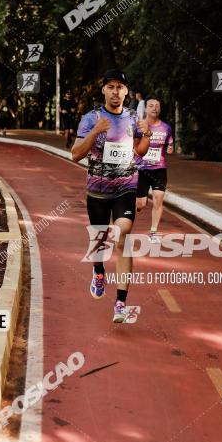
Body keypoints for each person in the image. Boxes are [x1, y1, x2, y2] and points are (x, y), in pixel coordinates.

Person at [72, 68, 152, 323]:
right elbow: (76, 154)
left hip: (126, 187)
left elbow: (139, 152)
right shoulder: (90, 118)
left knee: (122, 233)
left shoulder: (132, 118)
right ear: (104, 90)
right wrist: (95, 131)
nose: (115, 91)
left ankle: (120, 303)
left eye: (120, 87)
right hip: (97, 190)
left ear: (126, 91)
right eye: (111, 86)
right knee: (100, 239)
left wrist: (147, 135)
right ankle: (98, 271)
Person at [136, 96, 174, 241]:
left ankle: (153, 232)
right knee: (141, 203)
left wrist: (170, 148)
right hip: (142, 169)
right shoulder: (139, 126)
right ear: (146, 108)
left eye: (157, 105)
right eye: (151, 105)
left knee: (158, 198)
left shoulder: (166, 127)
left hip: (159, 168)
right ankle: (137, 207)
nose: (154, 108)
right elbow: (134, 146)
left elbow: (170, 143)